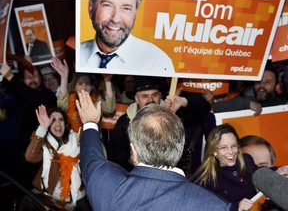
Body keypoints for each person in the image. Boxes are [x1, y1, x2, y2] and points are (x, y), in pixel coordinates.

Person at [75, 90, 231, 211]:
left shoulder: (110, 190)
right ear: (179, 148)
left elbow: (91, 161)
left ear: (134, 153)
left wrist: (90, 124)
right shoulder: (215, 206)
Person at [107, 77, 211, 173]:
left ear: (160, 95)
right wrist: (133, 159)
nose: (151, 100)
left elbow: (205, 108)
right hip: (136, 175)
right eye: (144, 96)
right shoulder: (125, 121)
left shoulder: (173, 114)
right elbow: (114, 152)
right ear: (136, 99)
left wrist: (183, 101)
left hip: (171, 175)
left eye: (155, 95)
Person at [80, 0, 174, 75]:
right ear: (91, 7)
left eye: (126, 8)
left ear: (135, 13)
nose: (116, 19)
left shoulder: (158, 61)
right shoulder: (76, 54)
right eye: (107, 5)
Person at [0, 63, 57, 187]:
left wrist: (11, 77)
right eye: (28, 76)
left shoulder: (46, 95)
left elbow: (35, 98)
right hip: (16, 157)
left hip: (40, 157)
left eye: (36, 76)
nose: (32, 79)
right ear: (22, 79)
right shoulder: (15, 96)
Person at [25, 105, 91, 210]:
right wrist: (42, 128)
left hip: (79, 197)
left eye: (61, 120)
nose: (58, 124)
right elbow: (30, 157)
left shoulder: (77, 139)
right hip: (52, 199)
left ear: (65, 123)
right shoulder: (45, 143)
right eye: (53, 120)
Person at [191, 123, 258, 211]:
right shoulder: (203, 179)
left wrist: (276, 171)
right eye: (224, 147)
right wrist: (235, 207)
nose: (231, 152)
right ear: (214, 151)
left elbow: (261, 175)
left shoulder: (246, 161)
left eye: (234, 146)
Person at [51, 57, 116, 133]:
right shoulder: (69, 100)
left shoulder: (97, 100)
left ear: (91, 87)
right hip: (72, 141)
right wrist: (64, 77)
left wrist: (107, 80)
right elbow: (61, 107)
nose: (84, 87)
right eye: (80, 84)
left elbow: (109, 109)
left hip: (93, 140)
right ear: (74, 87)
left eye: (87, 84)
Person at [212, 66, 286, 115]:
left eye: (267, 82)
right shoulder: (244, 101)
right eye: (258, 82)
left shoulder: (283, 104)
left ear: (277, 86)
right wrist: (247, 104)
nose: (262, 85)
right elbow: (215, 107)